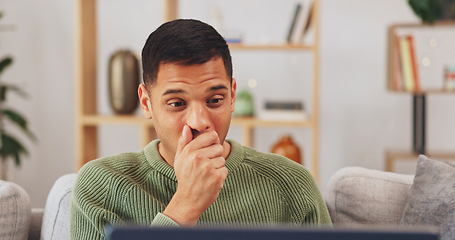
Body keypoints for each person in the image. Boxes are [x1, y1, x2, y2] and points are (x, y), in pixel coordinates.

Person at [70, 19, 332, 239]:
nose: (198, 121)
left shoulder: (292, 185)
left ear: (232, 96)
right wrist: (185, 205)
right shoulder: (100, 185)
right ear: (146, 103)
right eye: (177, 103)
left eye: (214, 100)